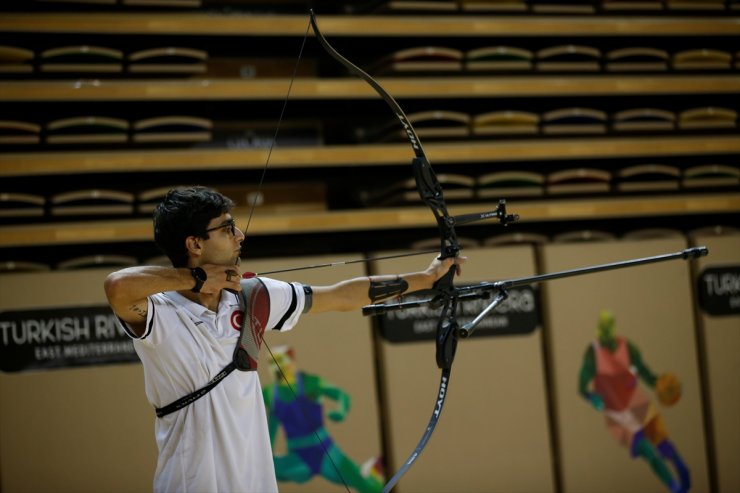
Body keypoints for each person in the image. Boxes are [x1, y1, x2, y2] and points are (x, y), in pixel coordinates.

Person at [103, 185, 462, 493]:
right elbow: (118, 286)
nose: (240, 236)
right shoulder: (160, 312)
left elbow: (339, 296)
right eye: (228, 228)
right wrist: (196, 279)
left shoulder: (253, 296)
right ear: (195, 243)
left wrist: (427, 277)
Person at [578, 310, 691, 493]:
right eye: (603, 326)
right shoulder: (593, 353)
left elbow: (644, 371)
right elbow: (581, 388)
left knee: (663, 444)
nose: (606, 330)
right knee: (649, 452)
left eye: (609, 325)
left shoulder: (626, 346)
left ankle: (681, 468)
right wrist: (593, 397)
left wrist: (657, 382)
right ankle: (675, 488)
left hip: (637, 403)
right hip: (617, 414)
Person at [263, 345, 384, 493]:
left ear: (292, 362)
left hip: (325, 452)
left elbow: (340, 395)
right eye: (272, 362)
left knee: (366, 487)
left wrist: (341, 411)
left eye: (281, 361)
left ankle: (371, 472)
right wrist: (266, 454)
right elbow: (271, 427)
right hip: (298, 457)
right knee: (265, 470)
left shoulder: (310, 382)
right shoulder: (270, 394)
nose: (277, 367)